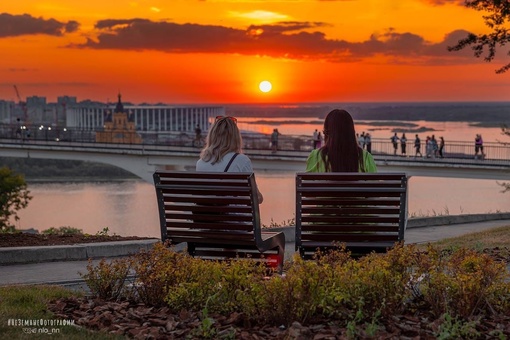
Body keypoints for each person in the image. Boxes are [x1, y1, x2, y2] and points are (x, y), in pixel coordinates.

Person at [196, 115, 263, 203]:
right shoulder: (242, 160)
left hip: (206, 215)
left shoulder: (201, 162)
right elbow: (257, 198)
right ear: (236, 137)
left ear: (212, 136)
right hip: (236, 215)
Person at [306, 109, 377, 173]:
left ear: (327, 133)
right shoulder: (366, 158)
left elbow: (307, 185)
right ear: (351, 132)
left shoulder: (315, 156)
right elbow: (374, 186)